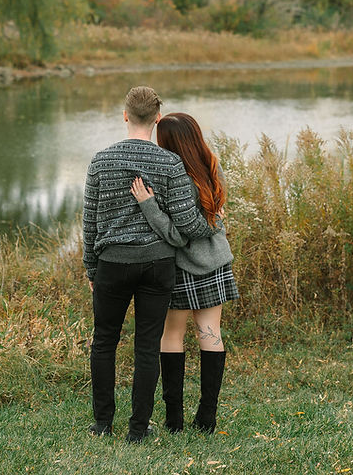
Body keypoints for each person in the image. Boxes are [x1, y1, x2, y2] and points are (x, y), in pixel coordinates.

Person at [83, 87, 219, 444]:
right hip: (157, 265)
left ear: (125, 115)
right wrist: (212, 222)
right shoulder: (170, 164)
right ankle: (138, 430)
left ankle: (102, 424)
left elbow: (90, 222)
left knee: (104, 343)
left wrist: (91, 269)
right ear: (157, 118)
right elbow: (189, 226)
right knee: (146, 345)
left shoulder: (100, 160)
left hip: (112, 262)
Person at [129, 112, 239, 435]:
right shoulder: (211, 163)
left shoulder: (167, 174)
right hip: (215, 263)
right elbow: (218, 214)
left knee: (172, 336)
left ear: (168, 143)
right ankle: (206, 418)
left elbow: (174, 231)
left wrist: (148, 204)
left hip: (178, 265)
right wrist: (213, 223)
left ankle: (174, 420)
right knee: (210, 333)